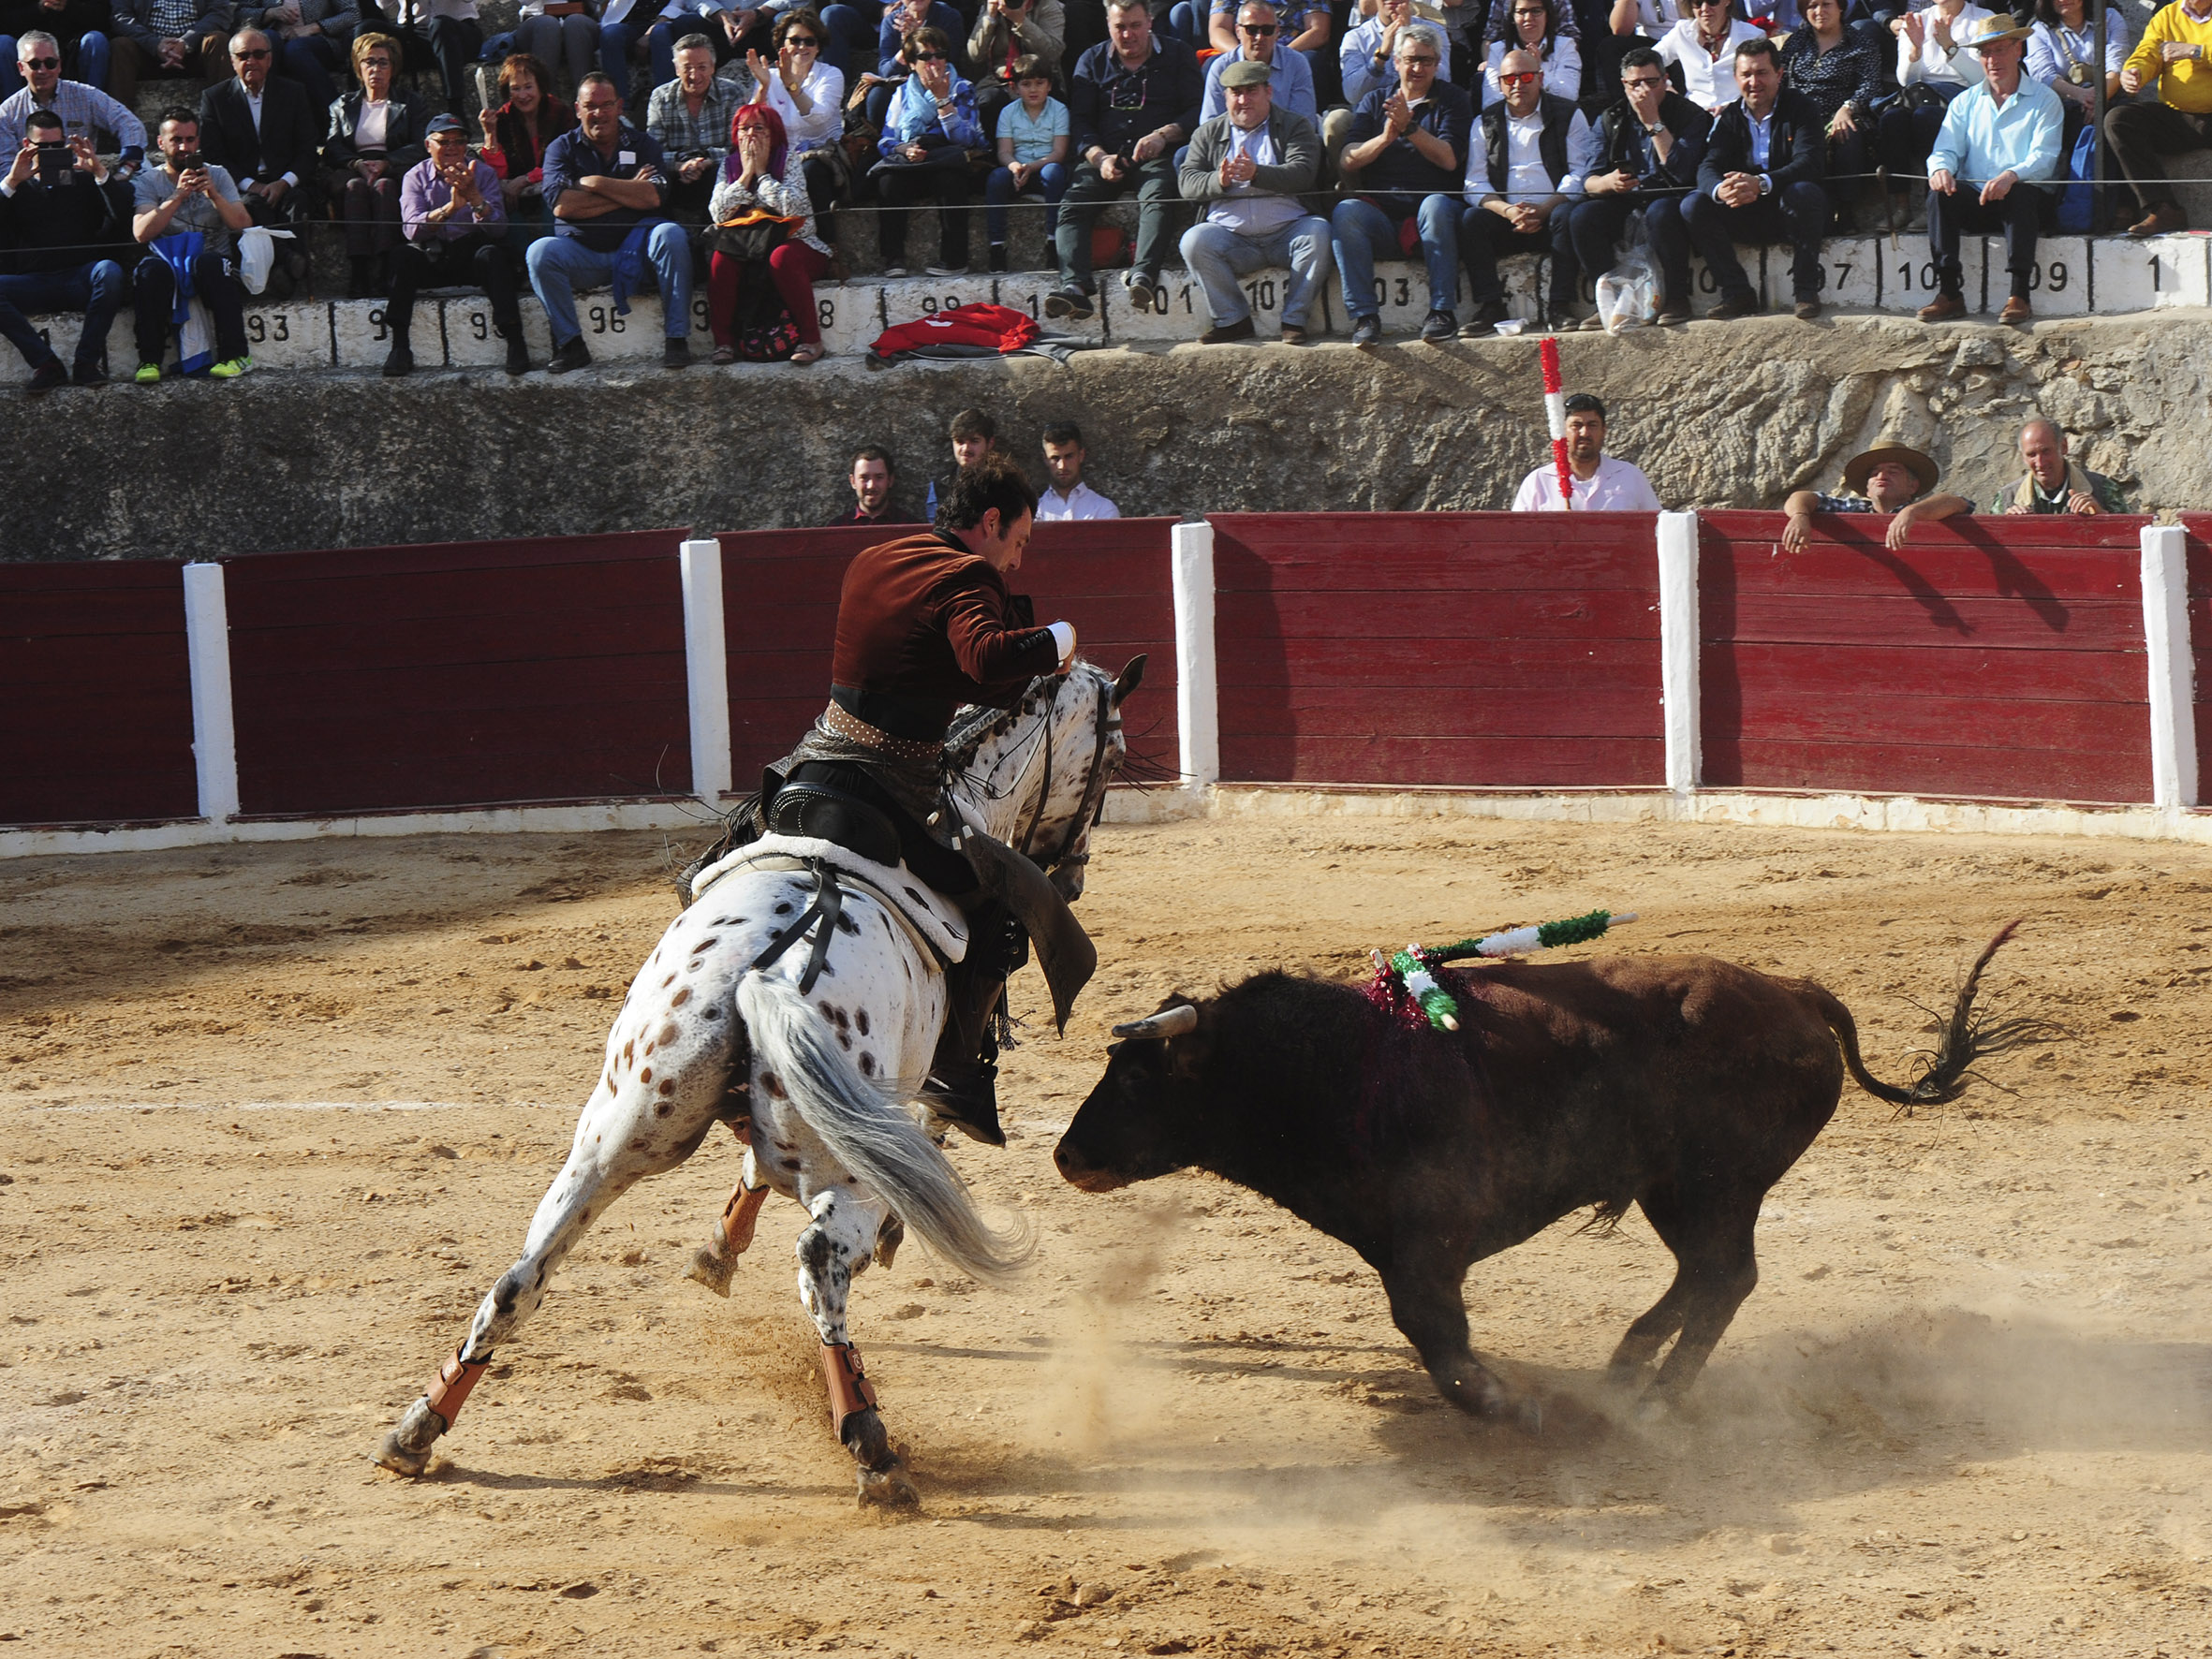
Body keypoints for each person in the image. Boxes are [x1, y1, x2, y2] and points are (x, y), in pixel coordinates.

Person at [759, 448, 1081, 1140]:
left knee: (732, 851)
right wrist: (1057, 642)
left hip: (810, 765)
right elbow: (986, 659)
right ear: (990, 523)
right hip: (889, 792)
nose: (1016, 563)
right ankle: (952, 1075)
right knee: (1000, 908)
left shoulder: (876, 557)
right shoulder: (967, 574)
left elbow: (937, 668)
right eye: (1018, 542)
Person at [527, 68, 693, 371]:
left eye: (606, 105)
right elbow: (563, 207)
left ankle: (677, 339)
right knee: (539, 252)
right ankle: (571, 344)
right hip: (582, 254)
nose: (599, 113)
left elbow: (652, 198)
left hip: (640, 251)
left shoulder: (644, 145)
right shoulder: (560, 149)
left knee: (670, 234)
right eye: (590, 106)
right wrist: (629, 189)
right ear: (578, 110)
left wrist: (595, 183)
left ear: (619, 106)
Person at [1654, 36, 1829, 319]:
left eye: (1762, 73)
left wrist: (1760, 183)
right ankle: (1737, 293)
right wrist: (1721, 189)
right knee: (1693, 204)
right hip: (1745, 211)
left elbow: (1809, 162)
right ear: (1736, 78)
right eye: (1746, 74)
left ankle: (1806, 290)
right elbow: (1707, 166)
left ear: (1779, 75)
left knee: (1805, 191)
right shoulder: (1731, 116)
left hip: (1790, 210)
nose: (1754, 82)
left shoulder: (1801, 107)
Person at [1047, 0, 1202, 320]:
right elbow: (1080, 121)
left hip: (1156, 152)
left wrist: (1164, 135)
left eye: (1135, 25)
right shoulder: (1090, 61)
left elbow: (1196, 112)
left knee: (1159, 194)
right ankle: (1074, 286)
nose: (1128, 34)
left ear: (1149, 22)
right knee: (1073, 204)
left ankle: (1142, 275)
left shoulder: (1178, 54)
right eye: (1120, 27)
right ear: (1108, 25)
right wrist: (1098, 157)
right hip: (1105, 155)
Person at [1331, 22, 1472, 346]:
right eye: (1410, 59)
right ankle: (1365, 317)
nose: (1417, 67)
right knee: (1346, 212)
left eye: (1426, 60)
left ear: (1437, 64)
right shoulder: (1375, 100)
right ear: (1396, 62)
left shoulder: (1453, 99)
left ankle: (1441, 312)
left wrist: (1410, 129)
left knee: (1435, 205)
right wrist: (1385, 137)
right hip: (1383, 215)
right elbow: (1348, 159)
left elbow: (1449, 159)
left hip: (1435, 215)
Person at [1916, 15, 2060, 326]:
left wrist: (2011, 175)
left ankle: (2020, 294)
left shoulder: (2045, 99)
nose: (1992, 59)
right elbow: (1945, 150)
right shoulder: (1965, 102)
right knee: (1939, 194)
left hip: (2026, 200)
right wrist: (1941, 169)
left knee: (2021, 193)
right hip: (1979, 198)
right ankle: (1949, 291)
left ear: (2018, 49)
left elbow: (2044, 158)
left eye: (2000, 49)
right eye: (1985, 52)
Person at [1176, 57, 1326, 345]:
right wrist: (1218, 181)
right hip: (1231, 238)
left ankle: (1294, 319)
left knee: (1319, 232)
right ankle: (1232, 320)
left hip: (1288, 231)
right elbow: (1187, 182)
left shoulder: (1295, 125)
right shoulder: (1207, 133)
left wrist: (1257, 174)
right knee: (1194, 241)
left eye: (1251, 91)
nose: (1243, 100)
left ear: (1268, 92)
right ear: (1225, 96)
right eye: (1236, 92)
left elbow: (1304, 173)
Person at [1569, 45, 1707, 327]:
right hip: (1625, 197)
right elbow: (1590, 181)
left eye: (1651, 82)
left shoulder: (1690, 114)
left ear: (1665, 80)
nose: (1643, 90)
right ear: (1624, 85)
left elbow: (1682, 171)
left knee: (1661, 212)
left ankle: (1677, 298)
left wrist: (1653, 122)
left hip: (1669, 196)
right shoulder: (1611, 117)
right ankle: (1612, 300)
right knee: (1582, 217)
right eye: (1635, 84)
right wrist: (1610, 182)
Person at [1459, 46, 1594, 334]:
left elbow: (1579, 173)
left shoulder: (1569, 114)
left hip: (1552, 215)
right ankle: (1490, 305)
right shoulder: (1484, 122)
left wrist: (1544, 209)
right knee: (1471, 221)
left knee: (1569, 215)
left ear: (1541, 78)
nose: (1518, 84)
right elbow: (1474, 183)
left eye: (1526, 76)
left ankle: (1559, 306)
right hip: (1507, 219)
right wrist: (1507, 211)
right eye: (1510, 79)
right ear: (1500, 84)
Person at [383, 111, 523, 374]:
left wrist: (475, 200)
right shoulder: (415, 176)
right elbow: (411, 230)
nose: (452, 148)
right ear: (428, 145)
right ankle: (399, 346)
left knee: (494, 255)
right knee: (402, 257)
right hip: (434, 254)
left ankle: (515, 340)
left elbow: (500, 228)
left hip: (471, 253)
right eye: (444, 142)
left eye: (459, 142)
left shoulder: (483, 173)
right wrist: (448, 209)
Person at [0, 108, 125, 390]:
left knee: (109, 272)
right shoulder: (15, 189)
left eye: (57, 146)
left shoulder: (84, 180)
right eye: (42, 147)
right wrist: (12, 181)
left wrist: (99, 172)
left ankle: (86, 363)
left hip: (80, 277)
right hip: (34, 282)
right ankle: (46, 364)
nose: (50, 153)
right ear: (26, 146)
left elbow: (124, 219)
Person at [130, 104, 254, 381]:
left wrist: (214, 195)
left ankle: (235, 355)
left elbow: (243, 224)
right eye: (176, 140)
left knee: (210, 263)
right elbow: (141, 233)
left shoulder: (218, 174)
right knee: (149, 272)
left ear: (198, 141)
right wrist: (177, 197)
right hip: (167, 265)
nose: (184, 148)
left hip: (210, 264)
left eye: (189, 139)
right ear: (161, 143)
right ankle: (148, 361)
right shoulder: (149, 181)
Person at [706, 98, 830, 361]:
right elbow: (717, 214)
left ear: (773, 134)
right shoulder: (728, 166)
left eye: (759, 128)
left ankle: (811, 340)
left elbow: (796, 209)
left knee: (782, 257)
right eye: (744, 128)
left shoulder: (789, 162)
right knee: (720, 260)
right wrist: (745, 176)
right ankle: (724, 343)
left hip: (797, 244)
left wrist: (762, 176)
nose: (751, 135)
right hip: (746, 247)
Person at [319, 31, 429, 297]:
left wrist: (388, 162)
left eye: (383, 62)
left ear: (393, 68)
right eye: (369, 61)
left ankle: (383, 268)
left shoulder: (410, 102)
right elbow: (332, 146)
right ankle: (359, 270)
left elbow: (421, 144)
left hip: (395, 168)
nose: (376, 69)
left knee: (383, 187)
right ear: (359, 67)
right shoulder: (342, 105)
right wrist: (356, 163)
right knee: (356, 187)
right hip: (352, 169)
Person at [871, 24, 981, 277]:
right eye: (924, 56)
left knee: (951, 180)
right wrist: (905, 147)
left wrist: (943, 100)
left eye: (939, 55)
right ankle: (893, 259)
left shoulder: (962, 88)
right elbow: (886, 140)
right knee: (888, 181)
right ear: (911, 63)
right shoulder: (902, 93)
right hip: (912, 160)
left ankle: (955, 259)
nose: (934, 62)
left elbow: (967, 139)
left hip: (946, 157)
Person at [197, 28, 319, 249]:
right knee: (251, 205)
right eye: (244, 56)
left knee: (297, 202)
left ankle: (288, 267)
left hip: (287, 182)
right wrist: (251, 185)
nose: (251, 61)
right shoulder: (215, 98)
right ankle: (289, 263)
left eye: (259, 54)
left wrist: (284, 182)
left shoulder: (293, 93)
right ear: (233, 61)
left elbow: (308, 147)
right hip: (243, 186)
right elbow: (214, 155)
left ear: (270, 59)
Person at [2105, 0, 2212, 236]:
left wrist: (2196, 51)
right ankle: (2163, 209)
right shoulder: (2168, 15)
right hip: (2180, 117)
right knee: (2119, 119)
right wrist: (2134, 72)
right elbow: (2149, 51)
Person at [1879, 0, 1993, 212]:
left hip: (1961, 93)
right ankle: (1901, 205)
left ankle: (1932, 200)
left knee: (1926, 116)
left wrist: (1950, 47)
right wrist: (1916, 49)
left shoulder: (1983, 19)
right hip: (1918, 92)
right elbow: (1906, 80)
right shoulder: (1917, 20)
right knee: (1892, 119)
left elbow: (1981, 79)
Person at [1780, 437, 1971, 551]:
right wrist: (1799, 516)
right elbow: (1800, 497)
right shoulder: (1853, 510)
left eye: (1893, 471)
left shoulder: (1927, 511)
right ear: (1867, 489)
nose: (1881, 476)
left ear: (1912, 486)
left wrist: (1910, 513)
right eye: (1874, 473)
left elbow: (1957, 503)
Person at [1778, 0, 1880, 210]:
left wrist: (1847, 108)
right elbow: (1780, 81)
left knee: (1847, 133)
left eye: (1826, 4)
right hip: (1799, 115)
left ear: (1840, 7)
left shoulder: (1860, 43)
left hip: (1839, 114)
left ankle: (1846, 208)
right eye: (1812, 6)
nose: (1819, 11)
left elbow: (1870, 85)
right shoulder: (1795, 43)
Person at [0, 29, 146, 169]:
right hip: (30, 187)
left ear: (59, 65)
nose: (42, 71)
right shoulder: (7, 112)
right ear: (21, 68)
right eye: (34, 64)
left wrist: (127, 168)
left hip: (81, 182)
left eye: (50, 63)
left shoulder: (86, 96)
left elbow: (129, 124)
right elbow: (5, 165)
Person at [748, 7, 843, 210]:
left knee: (809, 170)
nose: (802, 46)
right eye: (794, 40)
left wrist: (792, 86)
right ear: (783, 43)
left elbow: (819, 117)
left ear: (818, 47)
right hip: (779, 156)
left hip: (821, 155)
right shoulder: (769, 77)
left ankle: (827, 239)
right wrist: (763, 88)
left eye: (810, 41)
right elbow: (749, 125)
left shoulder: (831, 75)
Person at [647, 30, 742, 223]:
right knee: (652, 181)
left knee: (726, 175)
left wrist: (705, 161)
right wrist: (681, 165)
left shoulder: (731, 92)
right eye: (687, 67)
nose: (694, 75)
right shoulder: (661, 97)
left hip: (715, 169)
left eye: (701, 67)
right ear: (676, 68)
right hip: (675, 174)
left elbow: (737, 147)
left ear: (713, 67)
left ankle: (711, 241)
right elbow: (652, 151)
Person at [481, 49, 575, 241]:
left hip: (553, 186)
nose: (523, 95)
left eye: (528, 87)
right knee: (503, 210)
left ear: (540, 87)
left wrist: (526, 179)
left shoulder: (560, 114)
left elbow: (565, 162)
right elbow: (497, 175)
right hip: (515, 195)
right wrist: (490, 133)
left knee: (554, 201)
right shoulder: (502, 119)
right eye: (516, 88)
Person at [984, 51, 1066, 271]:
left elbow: (1059, 152)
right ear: (1015, 87)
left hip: (1044, 169)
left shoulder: (1059, 110)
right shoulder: (1008, 113)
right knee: (995, 178)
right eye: (1026, 84)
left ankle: (1053, 242)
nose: (1033, 89)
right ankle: (997, 246)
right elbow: (1004, 152)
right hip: (1017, 171)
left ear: (1049, 86)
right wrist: (1015, 167)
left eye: (1040, 83)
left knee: (1055, 172)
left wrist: (1032, 167)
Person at [1512, 392, 1662, 509]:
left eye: (1592, 425)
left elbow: (1657, 530)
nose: (1585, 433)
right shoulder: (1539, 481)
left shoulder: (1630, 477)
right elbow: (1517, 537)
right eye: (1576, 425)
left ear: (1604, 430)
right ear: (1563, 431)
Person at [1197, 3, 1317, 130]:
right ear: (1238, 31)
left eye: (1267, 30)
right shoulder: (1221, 68)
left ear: (1277, 32)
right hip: (1232, 143)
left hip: (1284, 142)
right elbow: (1209, 125)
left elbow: (1304, 122)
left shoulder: (1296, 63)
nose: (1259, 37)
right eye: (1251, 30)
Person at [242, 0, 362, 117]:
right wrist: (270, 13)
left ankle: (337, 113)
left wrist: (313, 28)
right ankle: (263, 114)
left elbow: (352, 14)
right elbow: (241, 13)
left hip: (319, 42)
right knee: (267, 42)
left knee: (295, 49)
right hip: (276, 42)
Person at [370, 0, 484, 117]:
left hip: (457, 32)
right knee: (369, 28)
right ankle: (370, 103)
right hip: (416, 33)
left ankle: (456, 108)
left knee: (439, 24)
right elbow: (385, 5)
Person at [966, 0, 1063, 137]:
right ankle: (994, 153)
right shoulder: (991, 6)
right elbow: (974, 55)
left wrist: (1021, 23)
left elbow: (1053, 53)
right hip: (1000, 80)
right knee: (989, 101)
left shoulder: (1047, 6)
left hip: (1038, 77)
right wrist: (990, 18)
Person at [108, 0, 230, 106]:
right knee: (121, 45)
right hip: (148, 52)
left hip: (195, 51)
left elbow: (219, 13)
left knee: (219, 40)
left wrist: (186, 42)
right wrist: (155, 44)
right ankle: (118, 123)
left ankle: (224, 117)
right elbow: (121, 17)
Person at [2000, 416, 2127, 513]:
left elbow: (2130, 538)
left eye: (2046, 451)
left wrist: (2102, 517)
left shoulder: (2103, 489)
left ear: (2064, 447)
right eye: (2032, 454)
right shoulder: (2007, 498)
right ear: (2023, 457)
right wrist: (2007, 526)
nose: (2040, 463)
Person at [1654, 0, 1764, 110]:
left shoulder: (1753, 36)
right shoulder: (1682, 32)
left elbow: (1764, 82)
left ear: (1727, 2)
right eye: (1697, 3)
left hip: (1738, 113)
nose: (1704, 8)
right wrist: (1669, 90)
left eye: (1712, 2)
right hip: (1694, 114)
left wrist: (1728, 108)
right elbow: (1649, 60)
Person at [0, 1, 114, 95]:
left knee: (96, 40)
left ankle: (94, 105)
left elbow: (102, 19)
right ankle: (12, 112)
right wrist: (39, 8)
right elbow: (5, 20)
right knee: (3, 44)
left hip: (72, 45)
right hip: (26, 45)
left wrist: (69, 7)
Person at [1484, 0, 1582, 105]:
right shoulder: (1497, 50)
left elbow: (1570, 97)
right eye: (1521, 12)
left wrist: (1538, 70)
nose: (1528, 18)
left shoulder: (1566, 46)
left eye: (1536, 11)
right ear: (1513, 17)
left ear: (1547, 15)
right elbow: (1489, 103)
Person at [515, 0, 600, 95]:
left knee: (576, 22)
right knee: (548, 24)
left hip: (582, 21)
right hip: (537, 21)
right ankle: (544, 99)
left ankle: (586, 98)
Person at [1038, 420, 1119, 518]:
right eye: (1055, 458)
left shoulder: (1103, 509)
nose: (1062, 466)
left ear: (1081, 455)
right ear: (1045, 459)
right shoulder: (1034, 513)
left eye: (1069, 456)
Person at [834, 444, 917, 522]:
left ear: (890, 480)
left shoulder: (912, 529)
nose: (871, 486)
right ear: (853, 481)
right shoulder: (836, 530)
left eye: (879, 477)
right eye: (864, 478)